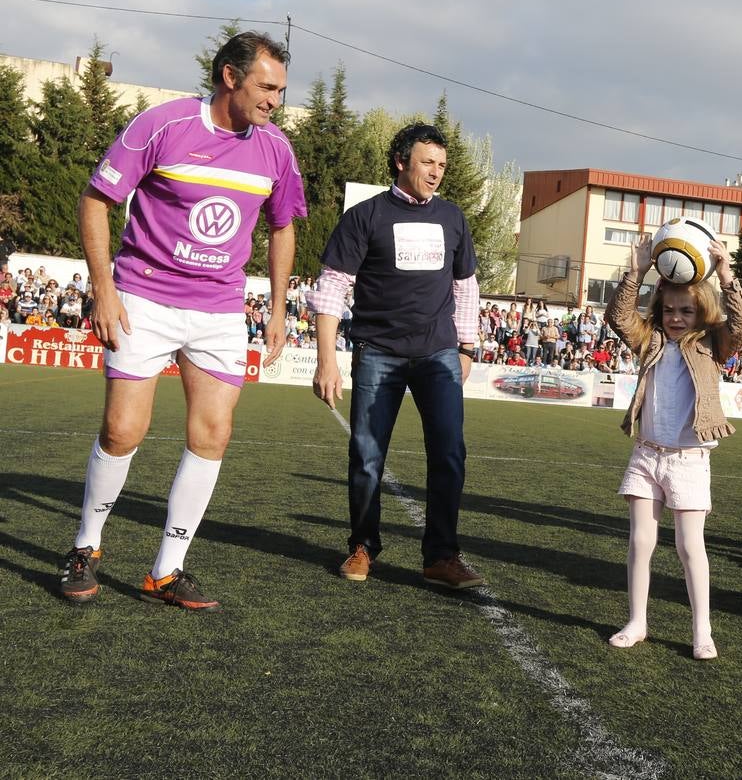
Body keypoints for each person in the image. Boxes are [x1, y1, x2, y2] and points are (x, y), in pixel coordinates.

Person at [58, 31, 305, 610]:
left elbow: (284, 226)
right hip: (143, 298)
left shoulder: (277, 150)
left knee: (212, 435)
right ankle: (85, 547)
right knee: (123, 430)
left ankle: (167, 569)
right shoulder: (163, 125)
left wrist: (274, 304)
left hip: (220, 308)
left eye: (281, 91)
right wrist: (104, 288)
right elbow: (96, 200)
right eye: (267, 87)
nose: (275, 100)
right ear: (230, 77)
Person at [312, 123, 484, 591]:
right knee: (367, 455)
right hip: (377, 353)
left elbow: (465, 288)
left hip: (439, 355)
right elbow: (331, 291)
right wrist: (326, 359)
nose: (436, 172)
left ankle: (441, 556)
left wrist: (466, 346)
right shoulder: (364, 216)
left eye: (442, 165)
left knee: (449, 455)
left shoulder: (453, 217)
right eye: (428, 162)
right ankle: (363, 546)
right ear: (401, 162)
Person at [604, 231, 742, 659]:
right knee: (640, 543)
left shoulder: (711, 343)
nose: (676, 317)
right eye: (669, 309)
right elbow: (619, 317)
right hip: (647, 454)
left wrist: (727, 276)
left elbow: (741, 327)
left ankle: (701, 631)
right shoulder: (648, 339)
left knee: (690, 548)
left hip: (689, 459)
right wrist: (637, 273)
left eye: (686, 310)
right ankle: (636, 621)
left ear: (701, 311)